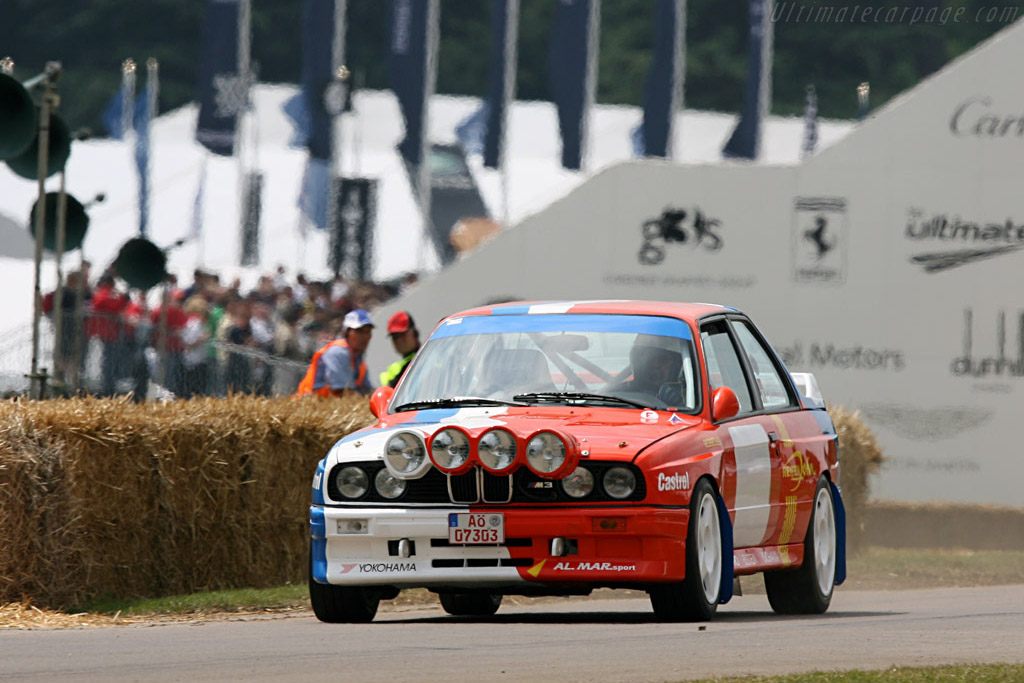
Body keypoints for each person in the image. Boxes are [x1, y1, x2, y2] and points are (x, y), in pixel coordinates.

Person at [295, 309, 374, 397]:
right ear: (345, 333)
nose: (364, 337)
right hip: (310, 404)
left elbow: (368, 393)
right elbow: (345, 393)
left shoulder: (358, 360)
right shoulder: (338, 352)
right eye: (359, 331)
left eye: (368, 332)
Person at [613, 334, 685, 407]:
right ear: (637, 361)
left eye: (663, 359)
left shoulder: (686, 400)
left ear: (676, 366)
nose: (655, 365)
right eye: (649, 359)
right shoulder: (618, 393)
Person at [379, 311, 420, 388]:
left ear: (414, 333)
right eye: (395, 337)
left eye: (402, 335)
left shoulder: (428, 360)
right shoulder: (392, 369)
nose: (399, 341)